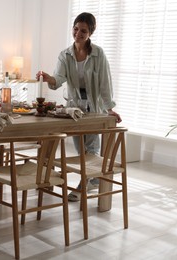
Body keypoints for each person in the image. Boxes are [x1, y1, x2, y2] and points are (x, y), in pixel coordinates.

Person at [36, 12, 122, 201]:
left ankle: (88, 182)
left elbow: (105, 84)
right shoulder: (65, 55)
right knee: (80, 148)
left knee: (92, 148)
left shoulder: (98, 54)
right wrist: (49, 78)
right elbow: (58, 80)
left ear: (90, 32)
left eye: (83, 30)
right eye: (76, 29)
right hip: (74, 107)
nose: (78, 33)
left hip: (94, 107)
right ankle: (91, 180)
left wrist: (109, 108)